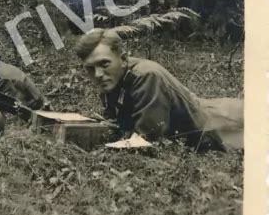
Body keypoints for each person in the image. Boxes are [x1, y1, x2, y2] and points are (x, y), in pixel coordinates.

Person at [75, 28, 243, 151]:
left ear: (124, 59)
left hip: (227, 125)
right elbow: (114, 121)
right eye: (90, 68)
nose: (97, 74)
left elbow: (146, 140)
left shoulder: (146, 76)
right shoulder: (112, 76)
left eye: (104, 64)